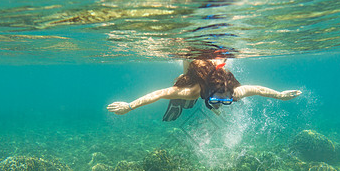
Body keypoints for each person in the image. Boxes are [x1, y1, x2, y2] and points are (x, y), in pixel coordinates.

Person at [107, 59, 302, 121]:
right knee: (183, 86)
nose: (224, 104)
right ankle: (183, 104)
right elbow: (159, 94)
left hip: (211, 77)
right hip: (194, 72)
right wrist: (130, 106)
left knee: (217, 103)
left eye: (226, 101)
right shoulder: (192, 90)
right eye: (220, 101)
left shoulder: (234, 92)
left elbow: (258, 89)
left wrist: (280, 95)